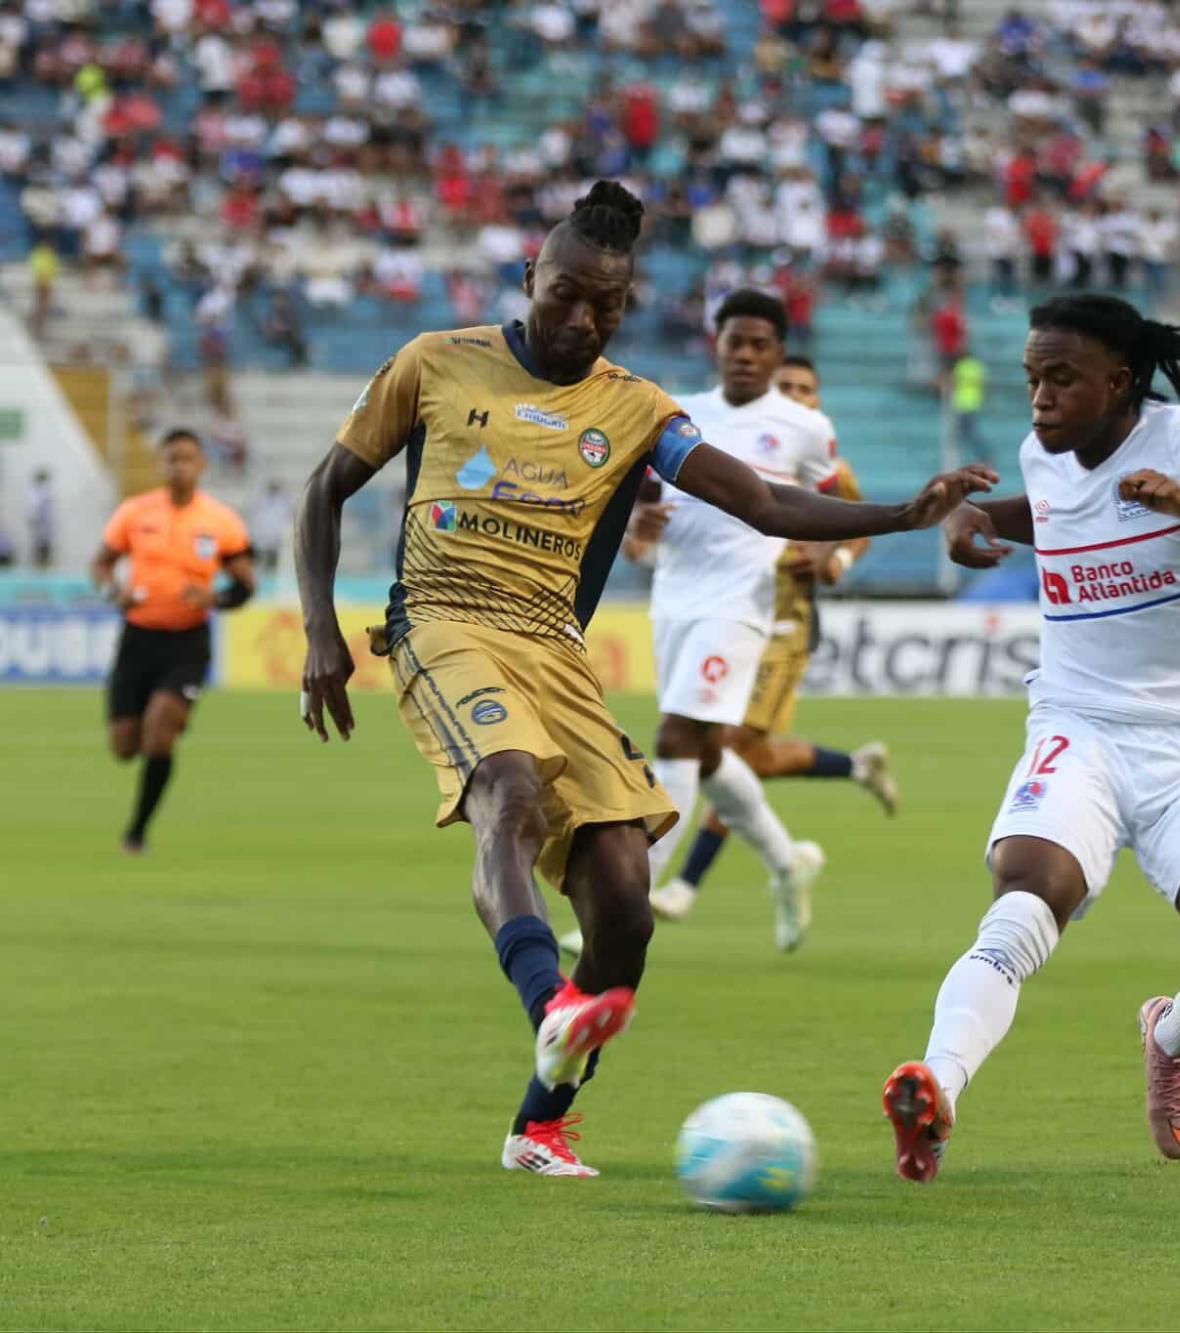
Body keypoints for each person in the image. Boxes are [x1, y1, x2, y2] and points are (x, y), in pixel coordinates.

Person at [292, 182, 995, 1180]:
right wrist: (320, 631)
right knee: (509, 787)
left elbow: (754, 498)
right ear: (529, 277)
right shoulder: (435, 361)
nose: (582, 320)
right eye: (566, 295)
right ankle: (552, 1009)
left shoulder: (634, 407)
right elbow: (324, 488)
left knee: (623, 897)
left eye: (607, 305)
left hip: (554, 648)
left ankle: (538, 1125)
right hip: (444, 621)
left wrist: (898, 514)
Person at [878, 294, 1180, 1182]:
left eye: (1061, 378)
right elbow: (1057, 508)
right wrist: (976, 518)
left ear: (1120, 382)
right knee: (1026, 892)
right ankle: (935, 1090)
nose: (1040, 397)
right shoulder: (1041, 454)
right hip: (1078, 727)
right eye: (1031, 379)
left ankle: (1168, 1035)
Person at [599, 354, 900, 933]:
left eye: (802, 388)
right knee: (723, 753)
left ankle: (667, 888)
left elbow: (854, 525)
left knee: (700, 740)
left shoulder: (820, 456)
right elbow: (652, 512)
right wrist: (640, 534)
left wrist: (832, 556)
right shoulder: (709, 436)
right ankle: (806, 837)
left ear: (816, 400)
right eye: (784, 385)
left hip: (781, 624)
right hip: (703, 611)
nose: (791, 394)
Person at [89, 429, 256, 853]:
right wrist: (114, 591)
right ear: (160, 464)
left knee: (159, 734)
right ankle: (165, 715)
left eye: (185, 459)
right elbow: (102, 563)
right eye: (170, 459)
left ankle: (137, 831)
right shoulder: (135, 512)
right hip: (138, 639)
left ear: (201, 465)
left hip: (187, 642)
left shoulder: (220, 521)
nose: (177, 466)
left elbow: (245, 585)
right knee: (125, 747)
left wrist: (214, 597)